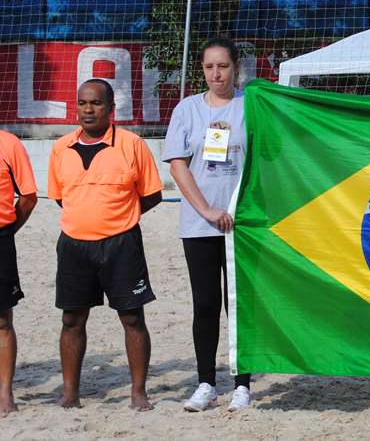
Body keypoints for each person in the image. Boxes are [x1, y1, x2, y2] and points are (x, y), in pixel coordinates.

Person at [48, 79, 163, 410]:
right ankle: (70, 393)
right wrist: (88, 216)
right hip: (73, 245)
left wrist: (117, 216)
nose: (88, 109)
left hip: (122, 244)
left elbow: (152, 193)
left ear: (111, 109)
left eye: (96, 103)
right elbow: (60, 198)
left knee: (132, 318)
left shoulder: (131, 144)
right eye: (82, 102)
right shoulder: (60, 149)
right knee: (72, 320)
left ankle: (138, 392)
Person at [162, 38, 252, 412]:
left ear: (236, 68)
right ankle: (205, 383)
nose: (217, 74)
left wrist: (239, 209)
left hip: (242, 226)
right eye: (209, 67)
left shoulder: (252, 106)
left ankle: (243, 385)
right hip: (199, 226)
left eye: (223, 66)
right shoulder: (187, 110)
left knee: (240, 305)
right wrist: (207, 210)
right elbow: (178, 165)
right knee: (206, 304)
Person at [0, 130, 38, 416]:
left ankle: (5, 394)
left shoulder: (9, 143)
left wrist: (9, 231)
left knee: (2, 321)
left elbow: (28, 196)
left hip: (1, 237)